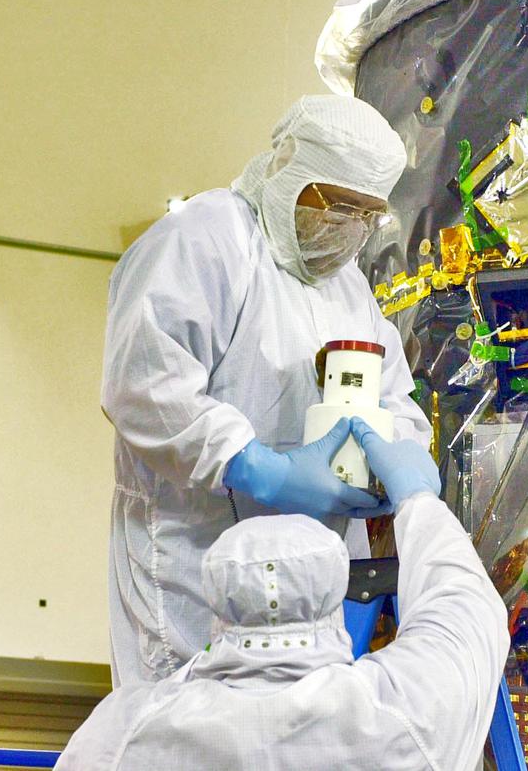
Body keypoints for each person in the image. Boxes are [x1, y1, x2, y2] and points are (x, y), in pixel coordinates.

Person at [102, 94, 432, 685]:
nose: (351, 228)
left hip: (318, 589)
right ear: (288, 169)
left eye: (368, 214)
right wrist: (258, 468)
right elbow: (146, 386)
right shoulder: (206, 239)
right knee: (193, 734)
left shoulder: (349, 289)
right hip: (195, 568)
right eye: (337, 205)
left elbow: (393, 397)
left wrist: (397, 458)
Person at [55, 420, 509, 771]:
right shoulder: (402, 716)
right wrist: (417, 501)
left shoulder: (125, 732)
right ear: (335, 592)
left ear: (217, 596)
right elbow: (466, 609)